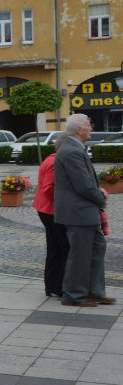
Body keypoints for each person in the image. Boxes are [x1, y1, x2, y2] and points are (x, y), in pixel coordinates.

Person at [54, 114, 112, 308]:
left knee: (96, 249)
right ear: (79, 129)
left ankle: (94, 292)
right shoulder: (71, 150)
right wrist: (100, 199)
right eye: (89, 125)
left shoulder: (75, 148)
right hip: (78, 213)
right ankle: (74, 295)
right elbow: (84, 186)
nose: (91, 129)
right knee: (80, 255)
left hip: (84, 212)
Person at [34, 135, 69, 298]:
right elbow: (48, 188)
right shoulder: (56, 162)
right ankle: (57, 285)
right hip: (50, 210)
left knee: (55, 248)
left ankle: (52, 286)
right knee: (62, 248)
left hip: (45, 209)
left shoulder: (51, 159)